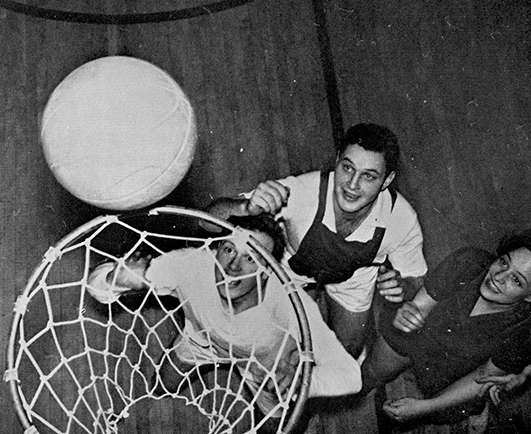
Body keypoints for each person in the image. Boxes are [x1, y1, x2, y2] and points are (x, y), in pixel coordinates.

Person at [87, 214, 361, 428]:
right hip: (202, 341)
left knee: (275, 425)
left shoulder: (293, 305)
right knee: (161, 384)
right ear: (215, 249)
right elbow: (97, 286)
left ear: (268, 272)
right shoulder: (189, 266)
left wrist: (306, 381)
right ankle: (146, 408)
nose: (233, 267)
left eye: (251, 258)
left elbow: (351, 376)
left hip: (264, 369)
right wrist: (117, 279)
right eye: (228, 250)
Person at [207, 123, 427, 356]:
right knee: (243, 327)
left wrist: (403, 286)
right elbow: (206, 221)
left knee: (347, 352)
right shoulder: (301, 192)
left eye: (369, 176)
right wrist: (243, 207)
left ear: (387, 180)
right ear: (337, 160)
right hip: (289, 267)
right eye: (348, 168)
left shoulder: (401, 220)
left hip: (352, 279)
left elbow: (416, 280)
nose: (352, 185)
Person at [359, 230, 531, 425]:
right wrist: (409, 314)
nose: (499, 277)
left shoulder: (526, 331)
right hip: (422, 335)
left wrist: (424, 407)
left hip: (459, 371)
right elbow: (420, 306)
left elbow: (484, 374)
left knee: (437, 413)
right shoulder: (469, 262)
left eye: (516, 280)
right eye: (503, 262)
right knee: (372, 371)